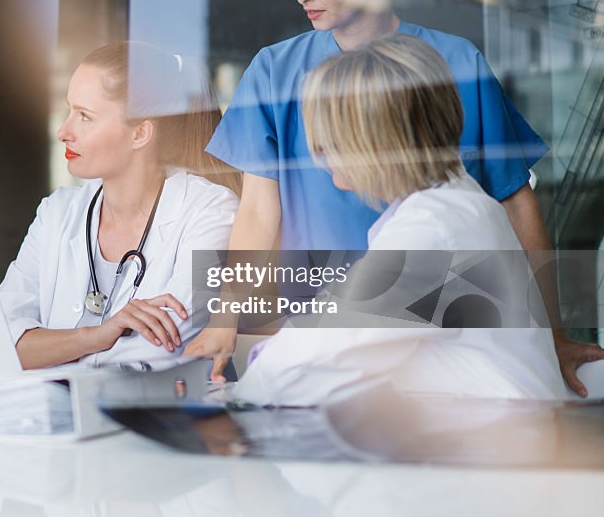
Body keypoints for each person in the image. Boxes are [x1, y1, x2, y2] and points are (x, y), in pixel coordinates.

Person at [184, 0, 604, 393]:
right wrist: (227, 319)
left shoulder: (455, 67)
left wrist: (553, 336)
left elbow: (515, 204)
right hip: (325, 322)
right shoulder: (274, 71)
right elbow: (256, 213)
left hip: (436, 329)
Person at [235, 35, 566, 405]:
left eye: (331, 145)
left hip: (493, 443)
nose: (322, 160)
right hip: (483, 431)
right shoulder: (453, 207)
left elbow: (314, 352)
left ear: (376, 144)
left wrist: (243, 390)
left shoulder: (433, 232)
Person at [0, 42, 240, 368]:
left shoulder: (210, 212)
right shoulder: (57, 212)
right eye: (69, 110)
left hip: (153, 411)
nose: (63, 131)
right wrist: (96, 335)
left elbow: (161, 344)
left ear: (140, 134)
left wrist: (47, 347)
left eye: (85, 116)